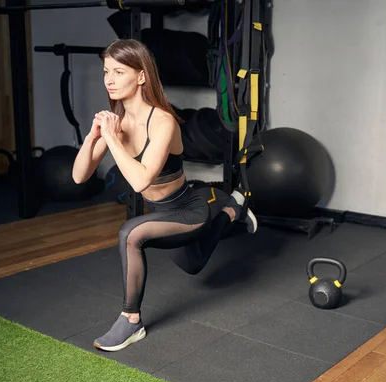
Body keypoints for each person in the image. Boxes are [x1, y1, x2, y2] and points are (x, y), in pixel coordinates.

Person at [72, 38, 257, 352]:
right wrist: (92, 139)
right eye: (106, 72)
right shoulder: (118, 122)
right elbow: (78, 177)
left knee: (130, 233)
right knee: (194, 264)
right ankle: (230, 209)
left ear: (141, 76)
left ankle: (131, 321)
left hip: (189, 208)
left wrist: (112, 140)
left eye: (118, 72)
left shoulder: (163, 121)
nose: (109, 80)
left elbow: (140, 181)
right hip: (161, 214)